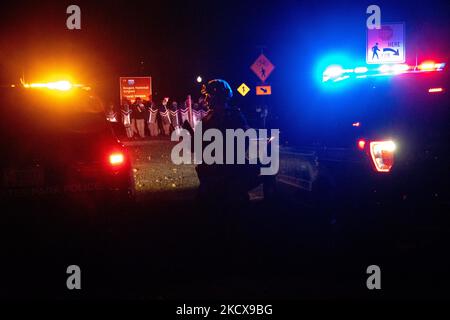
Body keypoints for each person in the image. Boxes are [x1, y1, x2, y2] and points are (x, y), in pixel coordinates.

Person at [189, 79, 260, 205]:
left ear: (218, 97)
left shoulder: (208, 119)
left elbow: (196, 148)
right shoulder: (236, 115)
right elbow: (246, 142)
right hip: (228, 174)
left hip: (220, 175)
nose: (206, 100)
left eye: (208, 96)